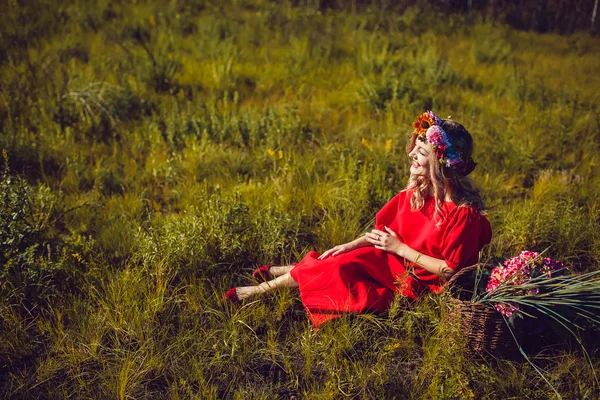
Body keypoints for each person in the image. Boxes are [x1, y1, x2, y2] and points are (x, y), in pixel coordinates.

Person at [224, 111, 492, 328]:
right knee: (342, 257)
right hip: (392, 260)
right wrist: (353, 243)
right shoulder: (420, 191)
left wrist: (400, 248)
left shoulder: (461, 214)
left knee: (339, 269)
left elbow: (450, 270)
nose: (411, 154)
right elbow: (386, 232)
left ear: (441, 164)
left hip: (416, 282)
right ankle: (280, 277)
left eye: (421, 153)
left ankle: (261, 289)